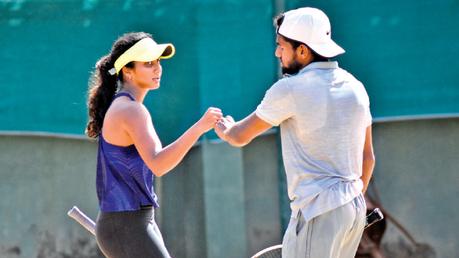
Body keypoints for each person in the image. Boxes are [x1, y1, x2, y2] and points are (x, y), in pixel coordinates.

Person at [214, 7, 375, 258]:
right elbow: (369, 159)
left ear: (303, 50)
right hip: (353, 209)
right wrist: (347, 202)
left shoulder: (290, 89)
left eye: (281, 45)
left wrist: (226, 129)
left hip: (318, 210)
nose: (277, 52)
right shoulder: (356, 87)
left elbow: (239, 136)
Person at [86, 32, 222, 258]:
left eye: (158, 61)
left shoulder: (127, 106)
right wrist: (199, 128)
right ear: (127, 71)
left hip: (132, 222)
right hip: (126, 225)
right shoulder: (131, 110)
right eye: (148, 63)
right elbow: (158, 164)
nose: (157, 68)